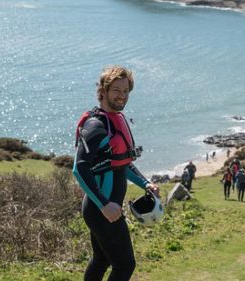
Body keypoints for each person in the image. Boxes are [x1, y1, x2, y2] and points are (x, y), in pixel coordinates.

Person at [72, 65, 160, 281]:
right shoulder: (96, 125)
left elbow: (121, 162)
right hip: (100, 208)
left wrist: (145, 183)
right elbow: (79, 168)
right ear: (103, 91)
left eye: (126, 91)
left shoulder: (116, 120)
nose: (122, 96)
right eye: (116, 91)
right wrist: (104, 204)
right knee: (125, 265)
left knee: (101, 260)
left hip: (107, 207)